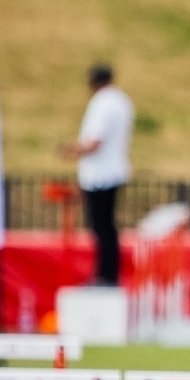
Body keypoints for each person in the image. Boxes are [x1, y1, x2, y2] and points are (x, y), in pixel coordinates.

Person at [59, 64, 134, 286]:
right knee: (107, 227)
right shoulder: (121, 101)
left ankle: (106, 275)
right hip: (114, 170)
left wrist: (72, 150)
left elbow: (95, 141)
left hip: (101, 175)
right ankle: (109, 274)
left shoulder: (102, 104)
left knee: (101, 228)